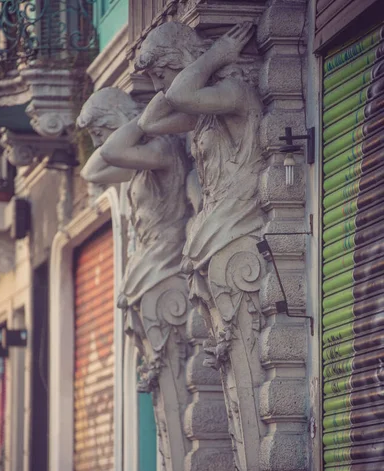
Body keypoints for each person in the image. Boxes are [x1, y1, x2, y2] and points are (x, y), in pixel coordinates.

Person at [135, 22, 264, 273]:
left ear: (182, 61)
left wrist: (215, 55)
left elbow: (178, 96)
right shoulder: (202, 115)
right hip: (216, 218)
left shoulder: (232, 93)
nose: (155, 87)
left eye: (159, 75)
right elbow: (148, 123)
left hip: (238, 215)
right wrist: (186, 71)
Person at [77, 87, 190, 309]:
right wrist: (141, 120)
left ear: (115, 120)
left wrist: (141, 120)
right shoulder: (140, 166)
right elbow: (90, 173)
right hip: (151, 257)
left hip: (166, 257)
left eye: (98, 133)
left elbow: (111, 151)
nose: (97, 144)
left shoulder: (160, 150)